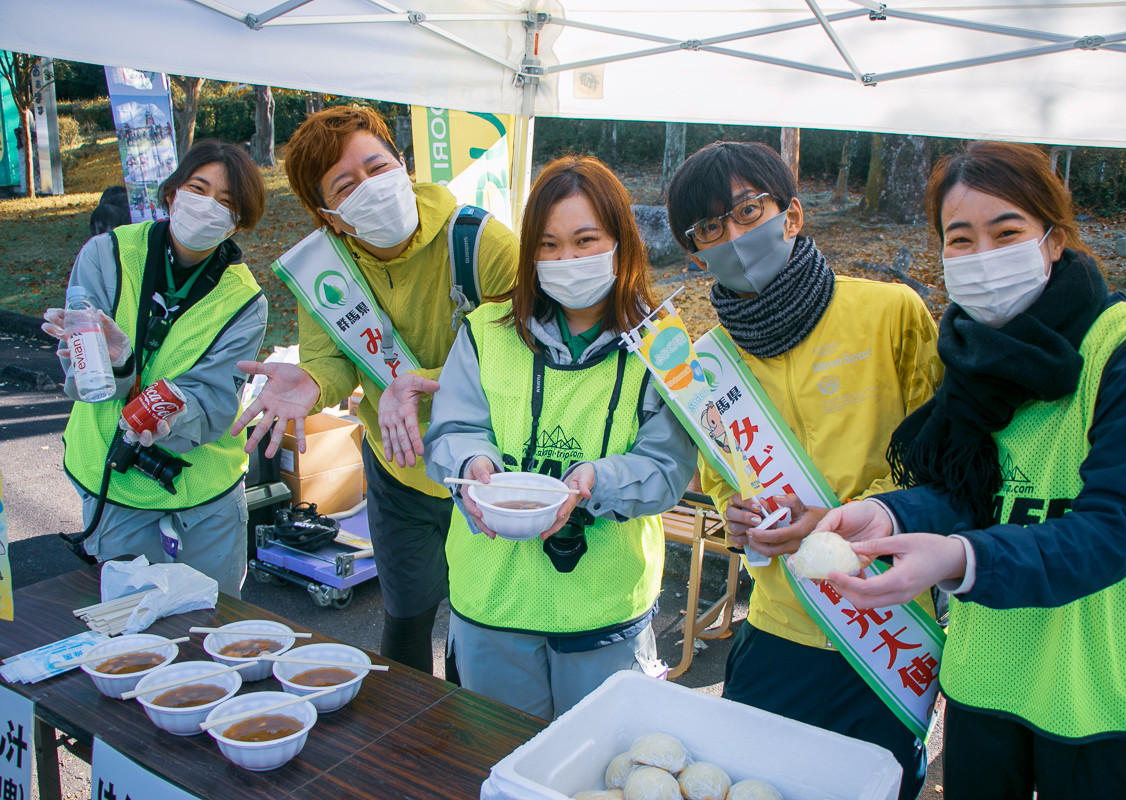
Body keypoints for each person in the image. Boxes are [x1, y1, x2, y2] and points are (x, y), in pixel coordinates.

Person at [820, 140, 1126, 800]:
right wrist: (890, 514)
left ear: (1053, 239)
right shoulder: (975, 360)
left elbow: (1115, 529)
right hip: (991, 683)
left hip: (1108, 699)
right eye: (960, 239)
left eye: (1007, 231)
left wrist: (958, 559)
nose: (984, 257)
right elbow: (969, 495)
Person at [665, 141, 943, 799]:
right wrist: (737, 514)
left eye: (747, 211)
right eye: (710, 228)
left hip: (887, 625)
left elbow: (942, 464)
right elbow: (722, 480)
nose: (733, 235)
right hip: (776, 625)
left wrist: (845, 520)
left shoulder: (890, 313)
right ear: (697, 252)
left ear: (791, 216)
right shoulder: (706, 363)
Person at [232, 106, 518, 673]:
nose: (370, 187)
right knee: (407, 613)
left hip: (486, 467)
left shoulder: (480, 242)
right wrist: (311, 381)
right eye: (346, 185)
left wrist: (432, 377)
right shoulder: (324, 267)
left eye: (377, 166)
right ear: (330, 216)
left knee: (480, 616)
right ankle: (404, 742)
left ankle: (468, 742)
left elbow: (528, 349)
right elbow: (331, 361)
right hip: (400, 467)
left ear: (404, 167)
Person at [424, 155, 696, 720]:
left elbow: (668, 467)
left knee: (599, 770)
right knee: (499, 758)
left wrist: (598, 480)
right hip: (492, 599)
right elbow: (453, 428)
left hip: (604, 611)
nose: (565, 259)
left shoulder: (662, 345)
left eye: (584, 239)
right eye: (547, 245)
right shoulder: (485, 332)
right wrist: (472, 465)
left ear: (621, 242)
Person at [42, 139, 268, 596]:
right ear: (172, 193)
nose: (208, 207)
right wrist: (118, 363)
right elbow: (86, 376)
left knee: (216, 620)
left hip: (206, 486)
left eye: (226, 202)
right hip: (114, 478)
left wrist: (168, 416)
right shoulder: (106, 255)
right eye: (197, 188)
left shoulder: (246, 300)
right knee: (131, 627)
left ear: (237, 222)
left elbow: (215, 398)